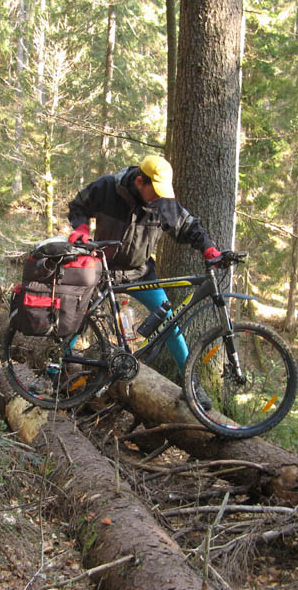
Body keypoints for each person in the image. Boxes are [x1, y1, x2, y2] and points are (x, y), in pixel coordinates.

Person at [67, 155, 222, 409]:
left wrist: (209, 249)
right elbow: (78, 205)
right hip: (103, 269)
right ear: (140, 180)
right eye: (155, 191)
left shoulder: (162, 202)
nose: (158, 198)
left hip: (140, 272)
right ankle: (54, 372)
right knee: (78, 317)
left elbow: (187, 226)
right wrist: (81, 229)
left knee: (170, 323)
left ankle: (192, 386)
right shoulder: (107, 187)